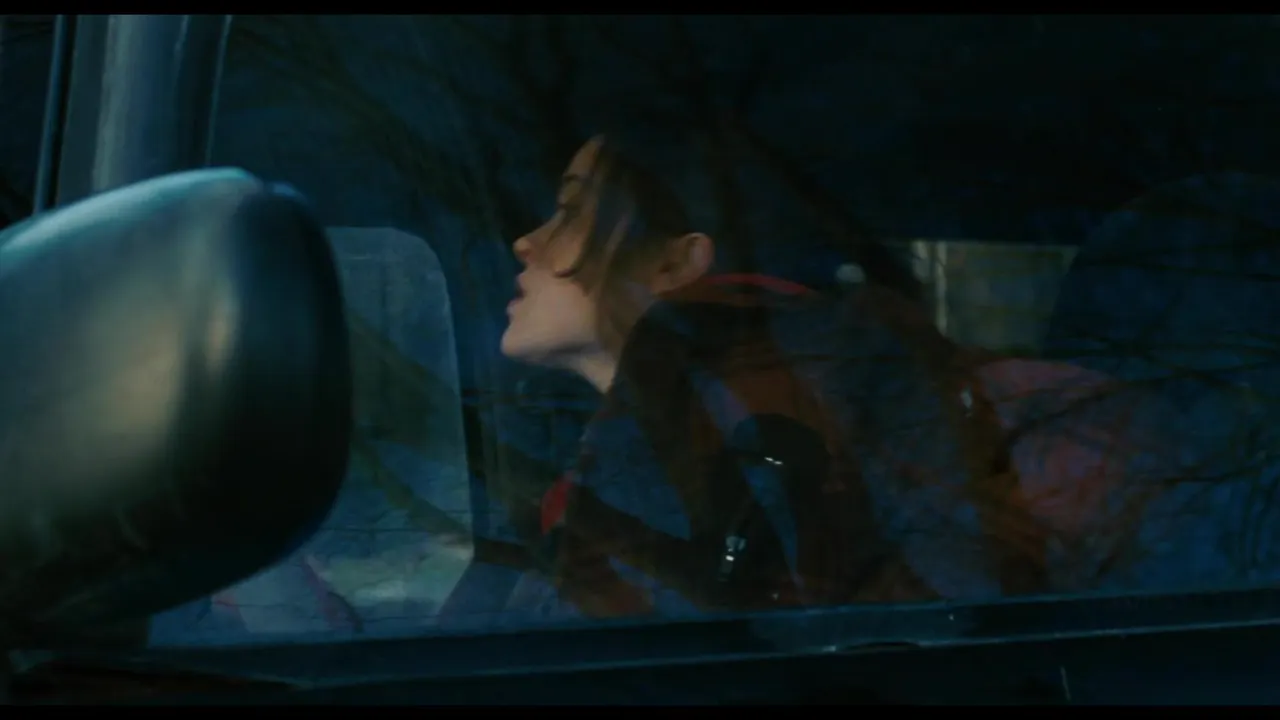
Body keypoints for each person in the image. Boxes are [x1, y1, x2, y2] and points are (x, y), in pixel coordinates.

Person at [497, 123, 1183, 619]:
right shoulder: (638, 452)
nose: (527, 241)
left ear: (676, 263)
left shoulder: (765, 417)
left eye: (571, 211)